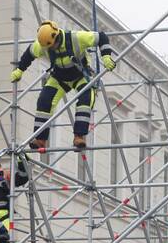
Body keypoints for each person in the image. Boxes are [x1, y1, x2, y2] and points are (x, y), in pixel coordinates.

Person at [9, 20, 116, 150]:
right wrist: (20, 70)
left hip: (80, 75)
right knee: (44, 100)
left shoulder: (76, 38)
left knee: (86, 99)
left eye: (53, 45)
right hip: (59, 77)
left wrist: (106, 57)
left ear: (57, 36)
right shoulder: (44, 45)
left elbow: (101, 37)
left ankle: (79, 136)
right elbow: (29, 54)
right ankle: (40, 138)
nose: (52, 49)